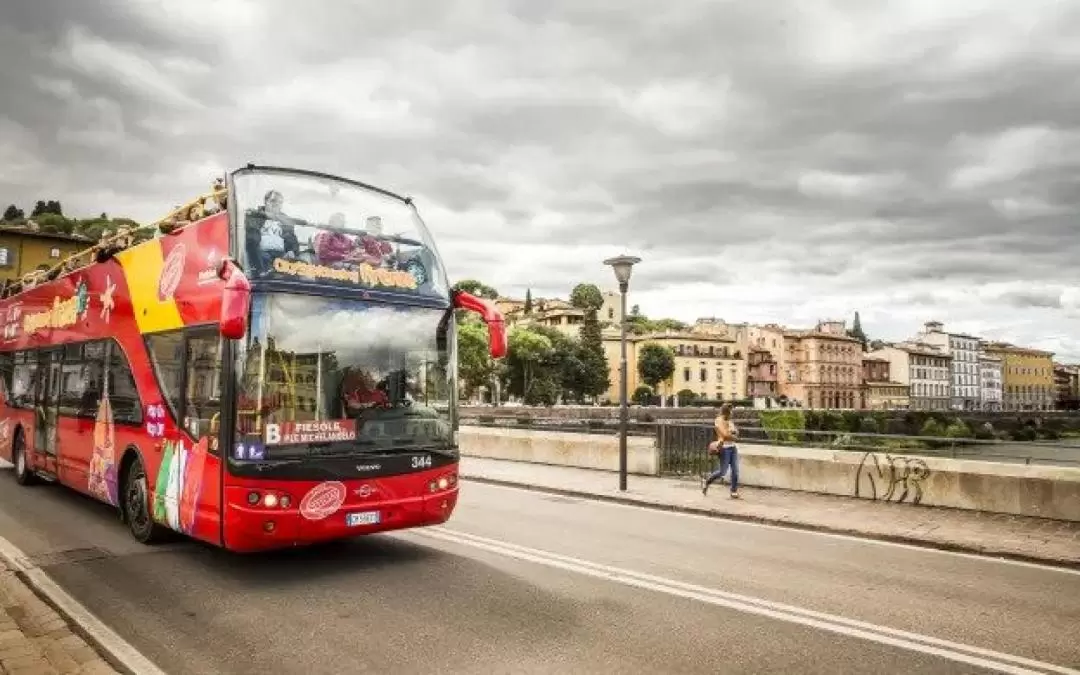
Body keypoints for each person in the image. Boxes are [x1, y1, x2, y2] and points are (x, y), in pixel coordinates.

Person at [703, 404, 740, 498]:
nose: (732, 413)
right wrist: (733, 435)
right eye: (731, 411)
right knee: (723, 471)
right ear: (727, 411)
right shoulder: (718, 420)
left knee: (735, 471)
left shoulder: (730, 421)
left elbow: (737, 432)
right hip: (724, 448)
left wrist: (732, 434)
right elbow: (724, 435)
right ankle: (707, 480)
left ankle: (733, 491)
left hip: (733, 448)